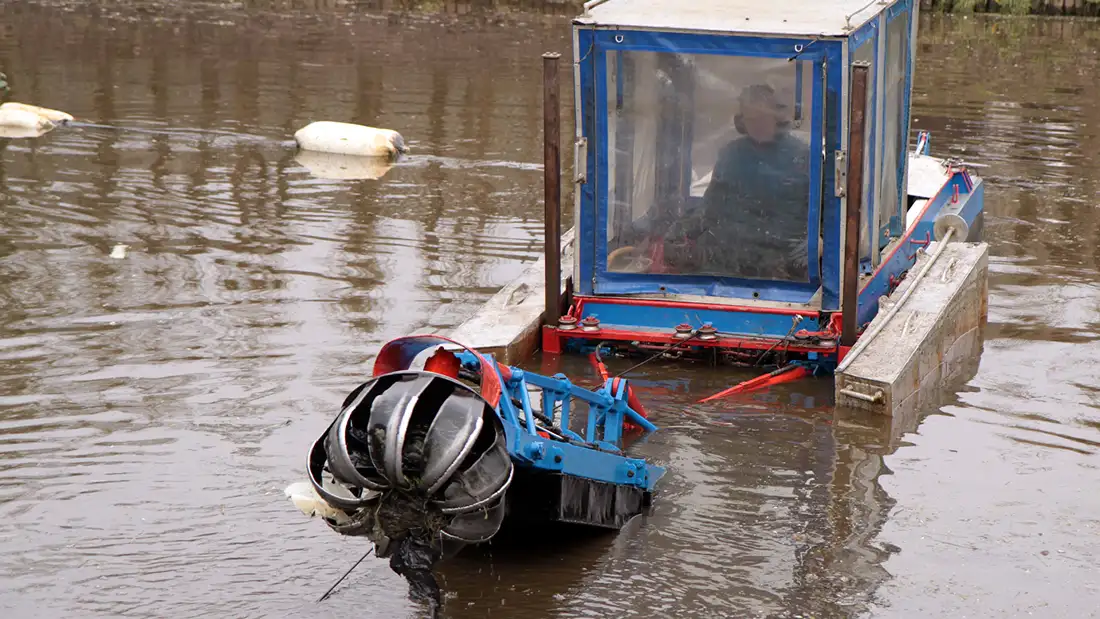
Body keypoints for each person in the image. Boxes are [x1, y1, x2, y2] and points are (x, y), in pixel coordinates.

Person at [664, 83, 811, 281]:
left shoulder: (802, 155)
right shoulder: (731, 155)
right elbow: (710, 205)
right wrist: (681, 231)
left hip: (782, 264)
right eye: (751, 119)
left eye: (762, 118)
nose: (757, 125)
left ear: (776, 117)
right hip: (728, 260)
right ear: (741, 123)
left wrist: (814, 244)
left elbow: (822, 208)